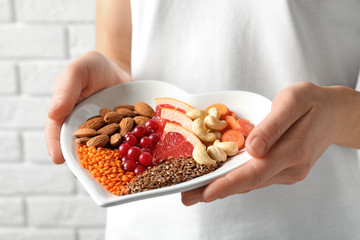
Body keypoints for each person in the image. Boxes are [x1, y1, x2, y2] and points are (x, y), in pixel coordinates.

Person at [45, 0, 360, 239]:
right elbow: (119, 51)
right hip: (146, 219)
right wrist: (111, 81)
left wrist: (335, 116)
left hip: (312, 219)